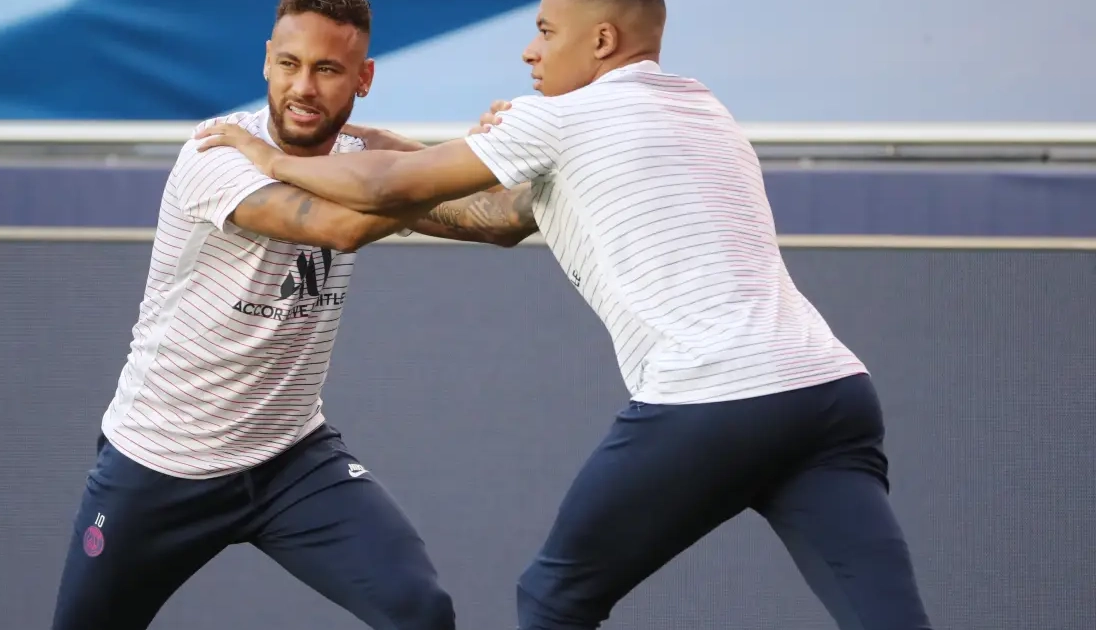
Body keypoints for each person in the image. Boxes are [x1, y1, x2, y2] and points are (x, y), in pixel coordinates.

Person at [195, 0, 936, 628]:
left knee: (552, 600)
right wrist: (462, 147)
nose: (530, 50)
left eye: (547, 31)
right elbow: (499, 216)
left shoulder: (561, 119)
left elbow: (389, 187)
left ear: (602, 41)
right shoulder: (701, 105)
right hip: (828, 394)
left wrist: (267, 156)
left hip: (714, 398)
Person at [49, 1, 539, 629]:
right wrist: (446, 166)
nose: (303, 87)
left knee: (420, 611)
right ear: (266, 63)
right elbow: (339, 226)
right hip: (160, 463)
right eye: (289, 64)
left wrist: (525, 152)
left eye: (327, 69)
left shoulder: (367, 161)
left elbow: (500, 221)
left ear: (363, 78)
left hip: (290, 460)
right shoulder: (217, 152)